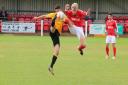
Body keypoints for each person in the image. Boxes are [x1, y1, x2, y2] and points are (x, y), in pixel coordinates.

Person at [34, 6, 66, 75]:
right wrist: (37, 18)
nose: (57, 11)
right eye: (56, 10)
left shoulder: (63, 17)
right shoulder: (53, 14)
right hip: (53, 31)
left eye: (58, 10)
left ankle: (51, 66)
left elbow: (67, 21)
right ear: (55, 11)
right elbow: (44, 16)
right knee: (53, 29)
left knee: (57, 51)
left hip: (56, 35)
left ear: (60, 10)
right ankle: (53, 23)